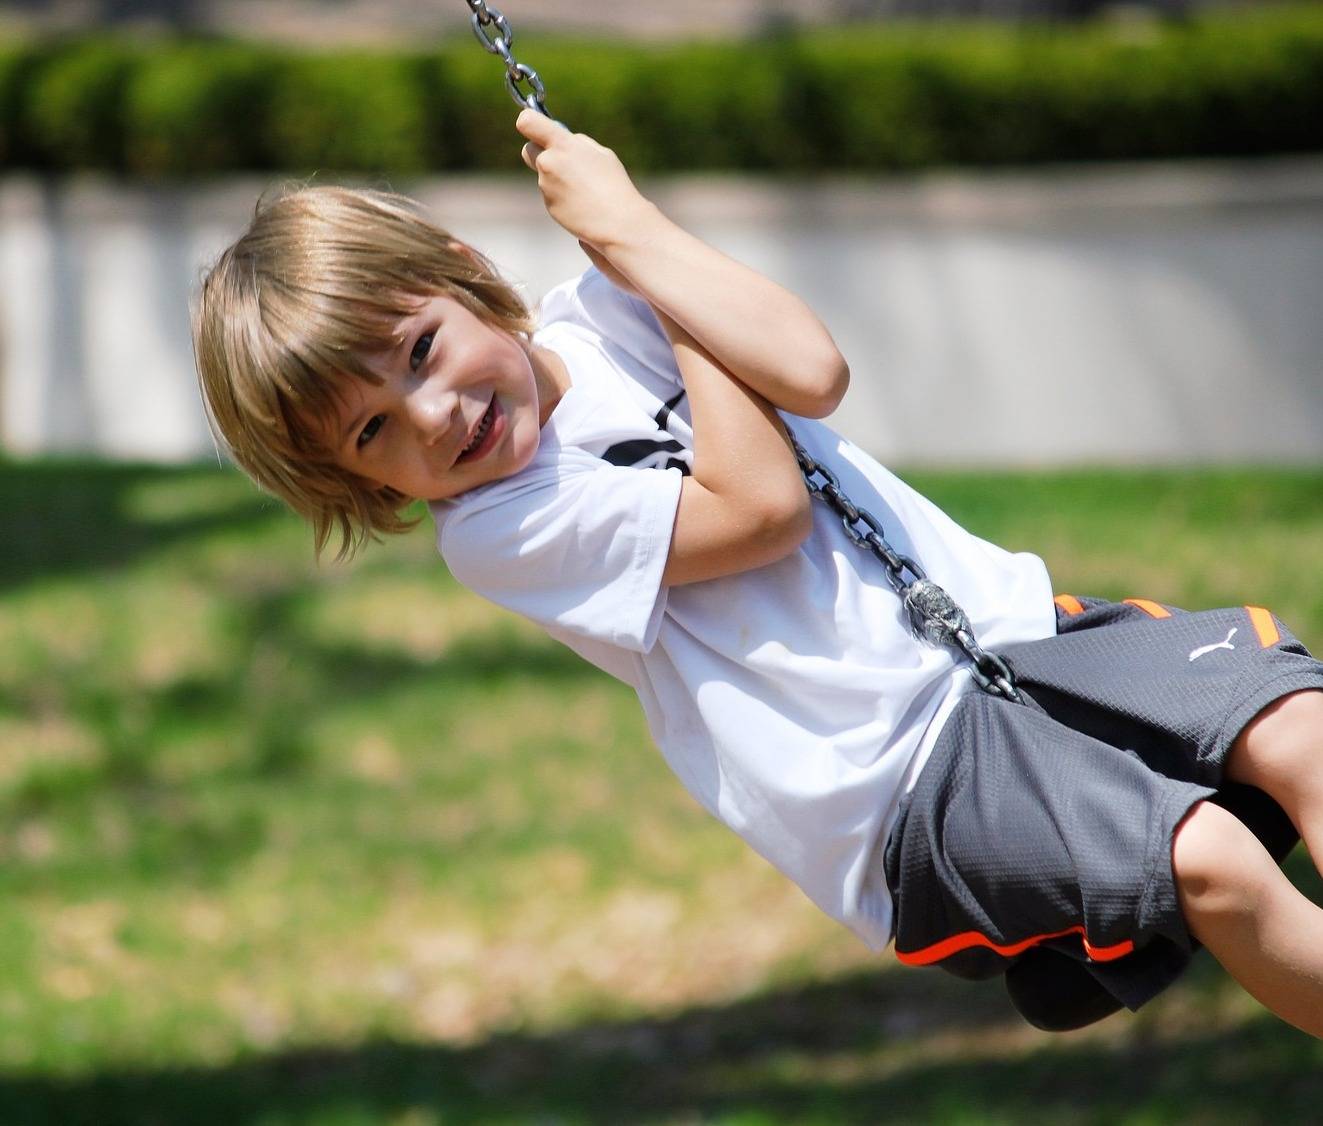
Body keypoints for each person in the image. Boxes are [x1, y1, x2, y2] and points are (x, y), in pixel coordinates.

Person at [193, 109, 1323, 1037]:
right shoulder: (501, 526)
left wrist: (634, 235)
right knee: (1207, 857)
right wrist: (653, 277)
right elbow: (763, 508)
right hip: (899, 780)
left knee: (1298, 728)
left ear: (464, 272)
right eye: (374, 433)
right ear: (364, 485)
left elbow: (812, 370)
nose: (434, 418)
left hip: (1017, 634)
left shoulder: (602, 310)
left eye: (423, 351)